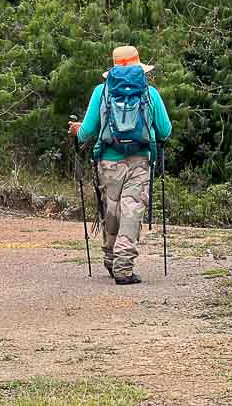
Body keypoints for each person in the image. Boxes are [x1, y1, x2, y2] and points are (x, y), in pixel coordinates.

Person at [68, 45, 172, 285]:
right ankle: (123, 266)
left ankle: (111, 257)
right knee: (132, 211)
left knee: (112, 210)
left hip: (108, 163)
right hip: (139, 161)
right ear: (139, 67)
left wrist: (77, 129)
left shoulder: (101, 92)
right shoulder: (149, 92)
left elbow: (85, 133)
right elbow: (165, 130)